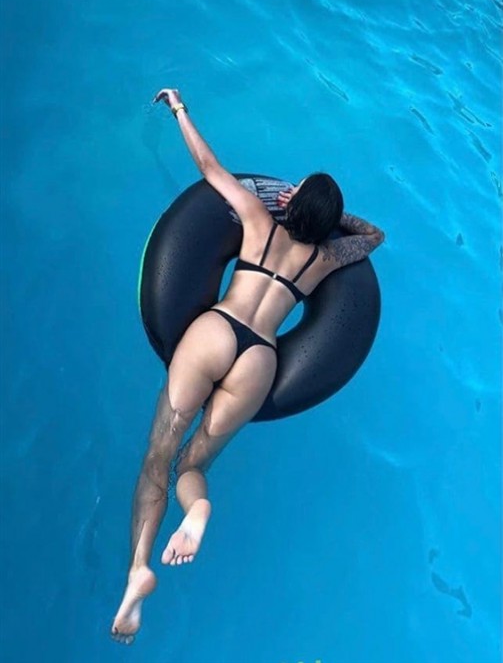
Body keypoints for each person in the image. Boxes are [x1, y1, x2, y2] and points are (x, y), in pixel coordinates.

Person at [111, 88, 385, 644]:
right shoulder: (326, 259)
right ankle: (197, 513)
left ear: (293, 199)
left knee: (157, 457)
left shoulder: (259, 219)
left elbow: (209, 167)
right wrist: (332, 220)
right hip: (259, 358)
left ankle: (139, 567)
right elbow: (374, 236)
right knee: (193, 466)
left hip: (216, 332)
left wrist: (180, 109)